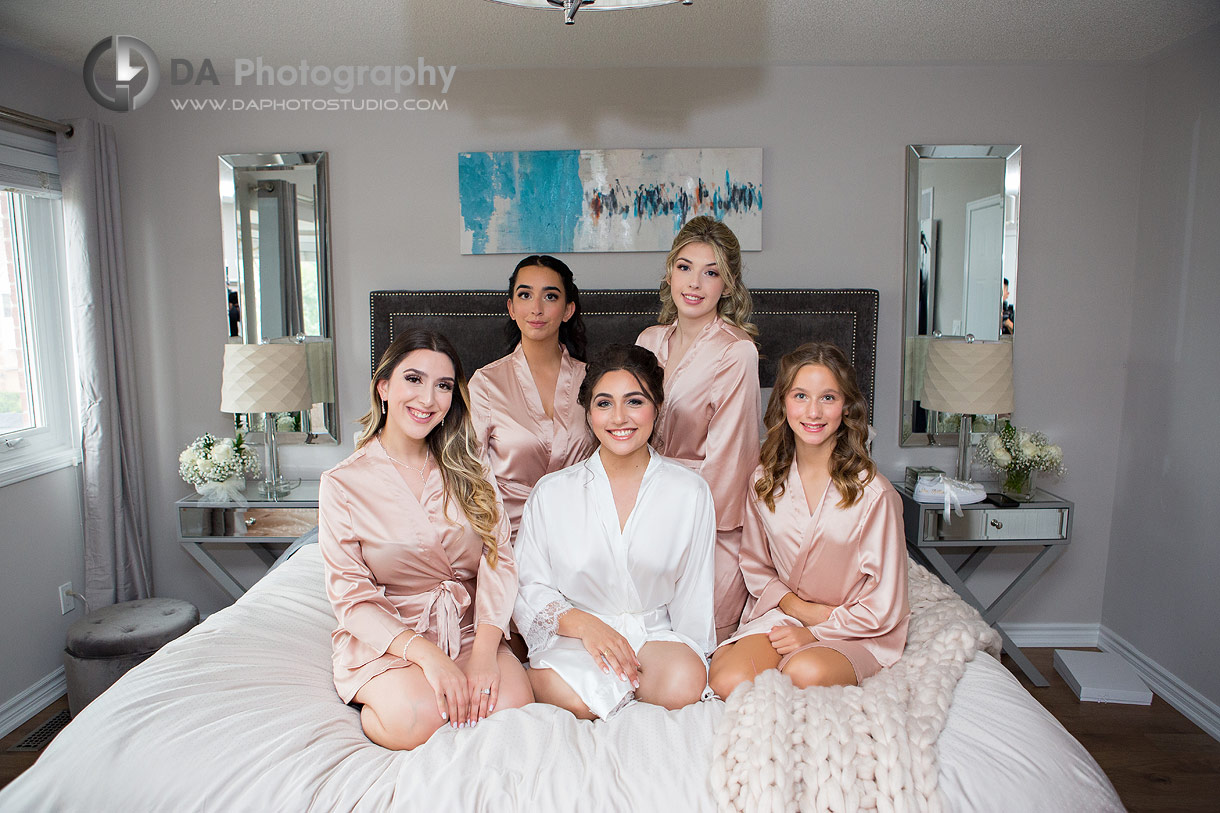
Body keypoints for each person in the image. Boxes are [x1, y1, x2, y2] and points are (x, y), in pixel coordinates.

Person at [319, 328, 533, 750]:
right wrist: (430, 658)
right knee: (414, 719)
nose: (428, 399)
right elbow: (351, 596)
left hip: (472, 627)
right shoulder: (342, 483)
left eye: (443, 386)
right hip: (394, 636)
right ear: (383, 387)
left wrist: (484, 654)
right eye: (413, 379)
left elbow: (498, 561)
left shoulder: (471, 467)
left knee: (513, 708)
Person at [512, 345, 716, 720]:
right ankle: (605, 688)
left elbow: (694, 596)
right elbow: (529, 586)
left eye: (634, 401)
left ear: (657, 407)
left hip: (654, 639)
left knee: (684, 682)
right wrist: (587, 627)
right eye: (604, 404)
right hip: (577, 641)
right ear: (588, 414)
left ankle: (628, 689)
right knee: (574, 698)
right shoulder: (552, 493)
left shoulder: (690, 492)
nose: (619, 417)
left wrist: (689, 655)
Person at [709, 343, 909, 696]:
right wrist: (796, 609)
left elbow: (885, 601)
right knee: (727, 680)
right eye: (801, 395)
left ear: (846, 407)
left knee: (805, 673)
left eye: (828, 398)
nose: (813, 412)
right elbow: (756, 565)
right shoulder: (763, 481)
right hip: (785, 614)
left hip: (854, 627)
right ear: (784, 402)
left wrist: (817, 628)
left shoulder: (876, 495)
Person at [635, 215, 761, 642]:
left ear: (727, 285)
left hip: (708, 522)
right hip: (640, 504)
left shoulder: (737, 352)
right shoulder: (648, 342)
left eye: (711, 273)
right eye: (685, 267)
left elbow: (730, 461)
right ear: (669, 272)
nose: (695, 283)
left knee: (698, 642)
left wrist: (674, 521)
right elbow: (625, 436)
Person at [468, 255, 595, 542]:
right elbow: (470, 477)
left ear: (568, 309)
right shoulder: (486, 385)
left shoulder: (594, 381)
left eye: (550, 296)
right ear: (512, 308)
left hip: (583, 533)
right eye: (525, 295)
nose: (536, 308)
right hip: (508, 537)